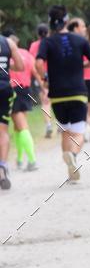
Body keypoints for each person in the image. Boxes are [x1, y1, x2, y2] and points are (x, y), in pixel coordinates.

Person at [35, 5, 90, 182]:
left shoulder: (47, 42)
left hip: (57, 95)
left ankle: (70, 171)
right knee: (78, 133)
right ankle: (73, 155)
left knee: (65, 131)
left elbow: (38, 63)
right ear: (67, 20)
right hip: (78, 92)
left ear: (50, 22)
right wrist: (82, 65)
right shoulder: (80, 40)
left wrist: (45, 78)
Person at [6, 32, 38, 171]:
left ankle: (32, 160)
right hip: (26, 90)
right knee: (17, 127)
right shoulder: (26, 54)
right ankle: (19, 159)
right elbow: (34, 71)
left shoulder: (7, 56)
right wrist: (42, 86)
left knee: (22, 126)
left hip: (14, 90)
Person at [0, 31, 24, 189]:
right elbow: (20, 66)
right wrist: (7, 66)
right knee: (2, 131)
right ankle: (2, 167)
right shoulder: (8, 42)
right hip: (3, 89)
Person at [29, 23, 52, 138]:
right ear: (48, 32)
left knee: (45, 102)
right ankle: (61, 125)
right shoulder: (52, 42)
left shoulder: (34, 46)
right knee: (57, 101)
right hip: (54, 74)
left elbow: (32, 62)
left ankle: (48, 125)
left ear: (38, 34)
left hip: (40, 76)